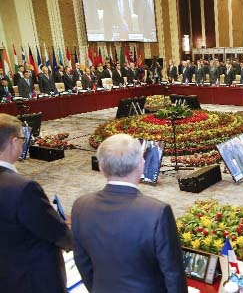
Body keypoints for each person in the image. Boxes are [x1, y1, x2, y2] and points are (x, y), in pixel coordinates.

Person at [71, 134, 187, 292]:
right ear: (141, 164)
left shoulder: (80, 206)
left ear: (101, 168)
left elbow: (83, 263)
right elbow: (173, 274)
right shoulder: (157, 212)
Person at [0, 113, 73, 293]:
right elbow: (55, 232)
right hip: (31, 280)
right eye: (22, 139)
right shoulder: (23, 188)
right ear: (13, 141)